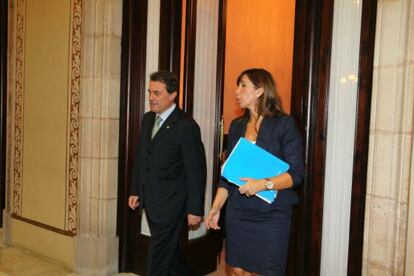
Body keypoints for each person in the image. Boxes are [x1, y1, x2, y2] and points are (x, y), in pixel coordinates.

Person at [206, 68, 305, 275]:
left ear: (260, 91)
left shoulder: (283, 124)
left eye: (243, 85)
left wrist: (263, 184)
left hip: (272, 215)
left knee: (265, 271)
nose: (237, 91)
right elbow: (228, 176)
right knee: (237, 270)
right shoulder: (236, 126)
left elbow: (296, 174)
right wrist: (216, 207)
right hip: (238, 211)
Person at [128, 70, 206, 276]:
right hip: (151, 202)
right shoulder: (147, 119)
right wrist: (136, 189)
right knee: (170, 255)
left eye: (157, 93)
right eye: (149, 92)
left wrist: (195, 209)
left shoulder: (186, 126)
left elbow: (196, 171)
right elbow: (142, 158)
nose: (151, 98)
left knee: (158, 257)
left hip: (172, 204)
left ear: (172, 95)